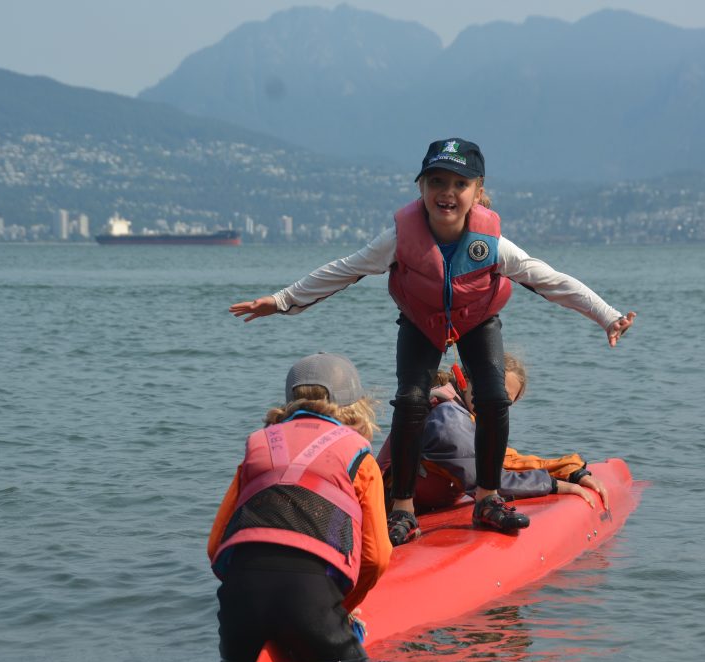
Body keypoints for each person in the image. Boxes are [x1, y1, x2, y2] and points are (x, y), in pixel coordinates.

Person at [230, 137, 635, 547]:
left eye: (460, 184)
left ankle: (488, 499)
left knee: (493, 398)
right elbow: (342, 270)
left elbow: (551, 280)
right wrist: (281, 301)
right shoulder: (397, 239)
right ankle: (403, 511)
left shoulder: (492, 245)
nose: (447, 192)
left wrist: (607, 316)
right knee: (410, 401)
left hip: (477, 320)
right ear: (421, 188)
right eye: (436, 181)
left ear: (478, 191)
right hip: (421, 321)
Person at [207, 352, 392, 662]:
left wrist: (257, 592)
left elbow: (216, 546)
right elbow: (376, 557)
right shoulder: (358, 454)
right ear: (358, 408)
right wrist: (342, 608)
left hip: (239, 599)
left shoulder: (259, 443)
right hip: (311, 598)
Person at [378, 354, 610, 513]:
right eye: (492, 391)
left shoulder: (462, 410)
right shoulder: (448, 419)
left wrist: (570, 470)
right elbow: (487, 479)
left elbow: (505, 460)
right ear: (465, 379)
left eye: (505, 402)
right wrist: (556, 485)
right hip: (381, 516)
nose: (495, 404)